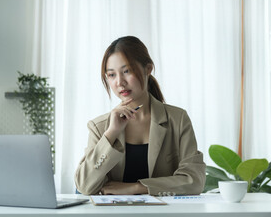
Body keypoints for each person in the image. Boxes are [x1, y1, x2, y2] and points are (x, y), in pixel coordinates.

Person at [74, 36, 206, 196]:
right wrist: (111, 134)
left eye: (126, 71)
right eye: (111, 75)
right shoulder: (100, 127)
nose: (120, 82)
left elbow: (194, 181)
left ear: (148, 69)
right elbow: (84, 186)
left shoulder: (177, 119)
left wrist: (137, 187)